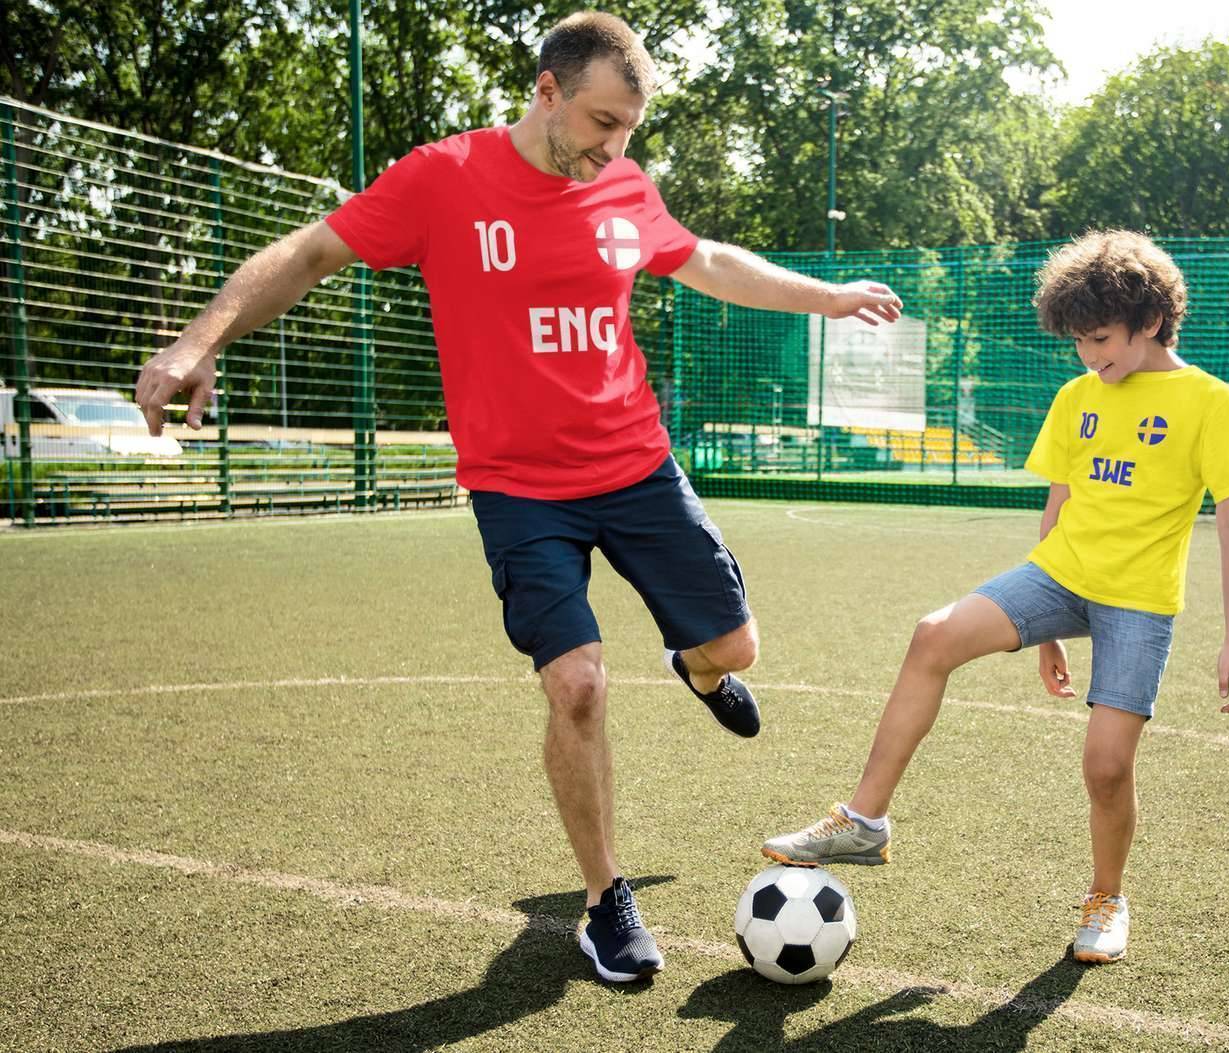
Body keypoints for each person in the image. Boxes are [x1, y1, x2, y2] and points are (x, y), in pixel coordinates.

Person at [133, 11, 903, 983]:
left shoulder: (624, 184)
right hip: (520, 492)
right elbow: (310, 252)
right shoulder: (442, 179)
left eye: (628, 128)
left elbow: (704, 260)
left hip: (637, 467)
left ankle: (700, 670)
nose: (614, 146)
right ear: (546, 91)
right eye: (601, 121)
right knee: (578, 684)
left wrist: (827, 298)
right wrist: (197, 341)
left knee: (737, 646)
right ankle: (605, 900)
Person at [762, 229, 1229, 964]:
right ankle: (864, 820)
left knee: (1106, 766)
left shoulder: (1211, 402)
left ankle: (1107, 898)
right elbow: (1058, 505)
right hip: (1058, 575)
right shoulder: (1077, 396)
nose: (1089, 355)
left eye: (1101, 338)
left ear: (1152, 320)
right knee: (933, 634)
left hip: (1139, 600)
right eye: (1078, 341)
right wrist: (1046, 629)